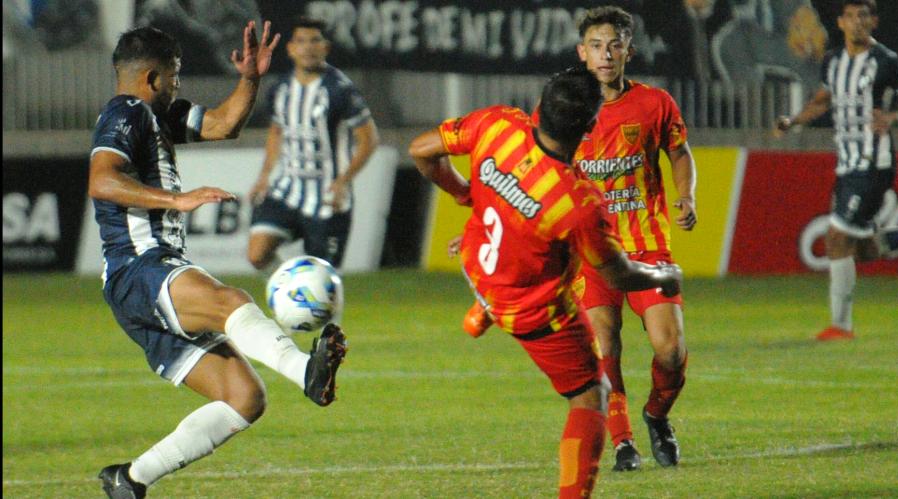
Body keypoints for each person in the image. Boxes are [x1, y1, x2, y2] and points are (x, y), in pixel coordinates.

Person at [88, 22, 347, 498]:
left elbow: (224, 123)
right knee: (228, 300)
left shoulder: (157, 116)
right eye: (175, 75)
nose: (178, 85)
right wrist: (175, 200)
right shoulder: (125, 112)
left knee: (244, 398)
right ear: (152, 79)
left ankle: (130, 480)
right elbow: (102, 179)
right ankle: (303, 372)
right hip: (138, 266)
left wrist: (249, 78)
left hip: (140, 283)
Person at [409, 67, 684, 499]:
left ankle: (484, 306)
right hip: (530, 311)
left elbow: (421, 151)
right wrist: (661, 275)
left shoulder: (498, 123)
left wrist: (467, 195)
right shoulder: (576, 201)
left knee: (542, 247)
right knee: (593, 395)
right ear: (591, 125)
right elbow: (618, 274)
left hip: (477, 263)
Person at [775, 0, 898, 341]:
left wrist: (892, 117)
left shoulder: (887, 61)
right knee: (862, 249)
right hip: (847, 162)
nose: (858, 22)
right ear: (840, 23)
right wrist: (792, 121)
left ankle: (841, 326)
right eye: (851, 16)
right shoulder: (834, 61)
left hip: (874, 163)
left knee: (836, 238)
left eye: (864, 16)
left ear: (874, 21)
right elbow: (822, 100)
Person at [247, 17, 378, 275]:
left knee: (324, 277)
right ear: (290, 49)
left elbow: (369, 139)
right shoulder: (280, 89)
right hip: (287, 188)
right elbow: (276, 132)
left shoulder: (340, 90)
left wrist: (344, 181)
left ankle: (315, 300)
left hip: (327, 195)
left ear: (325, 48)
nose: (308, 47)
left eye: (315, 41)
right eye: (301, 41)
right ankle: (290, 292)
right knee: (257, 254)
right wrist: (264, 176)